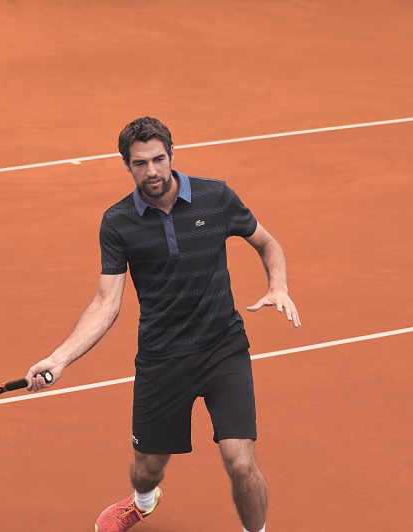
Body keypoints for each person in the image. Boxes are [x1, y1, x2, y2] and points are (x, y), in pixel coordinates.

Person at [25, 116, 300, 532]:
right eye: (140, 163)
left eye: (158, 159)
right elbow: (106, 302)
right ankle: (143, 501)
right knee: (146, 470)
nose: (152, 172)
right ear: (127, 165)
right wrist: (59, 358)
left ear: (172, 155)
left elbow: (266, 241)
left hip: (222, 347)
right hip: (162, 359)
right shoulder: (118, 222)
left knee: (241, 462)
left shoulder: (215, 196)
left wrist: (278, 285)